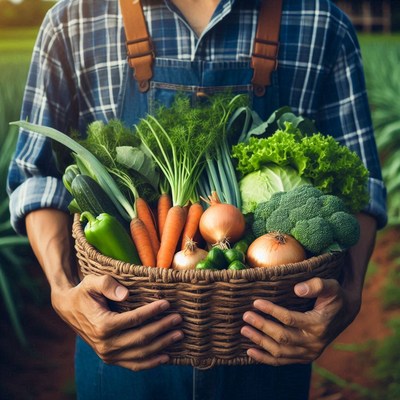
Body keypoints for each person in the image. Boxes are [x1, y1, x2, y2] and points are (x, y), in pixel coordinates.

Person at [7, 0, 387, 399]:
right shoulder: (72, 20)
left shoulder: (321, 22)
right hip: (124, 349)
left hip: (269, 348)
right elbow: (34, 176)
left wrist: (351, 294)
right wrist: (62, 290)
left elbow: (360, 188)